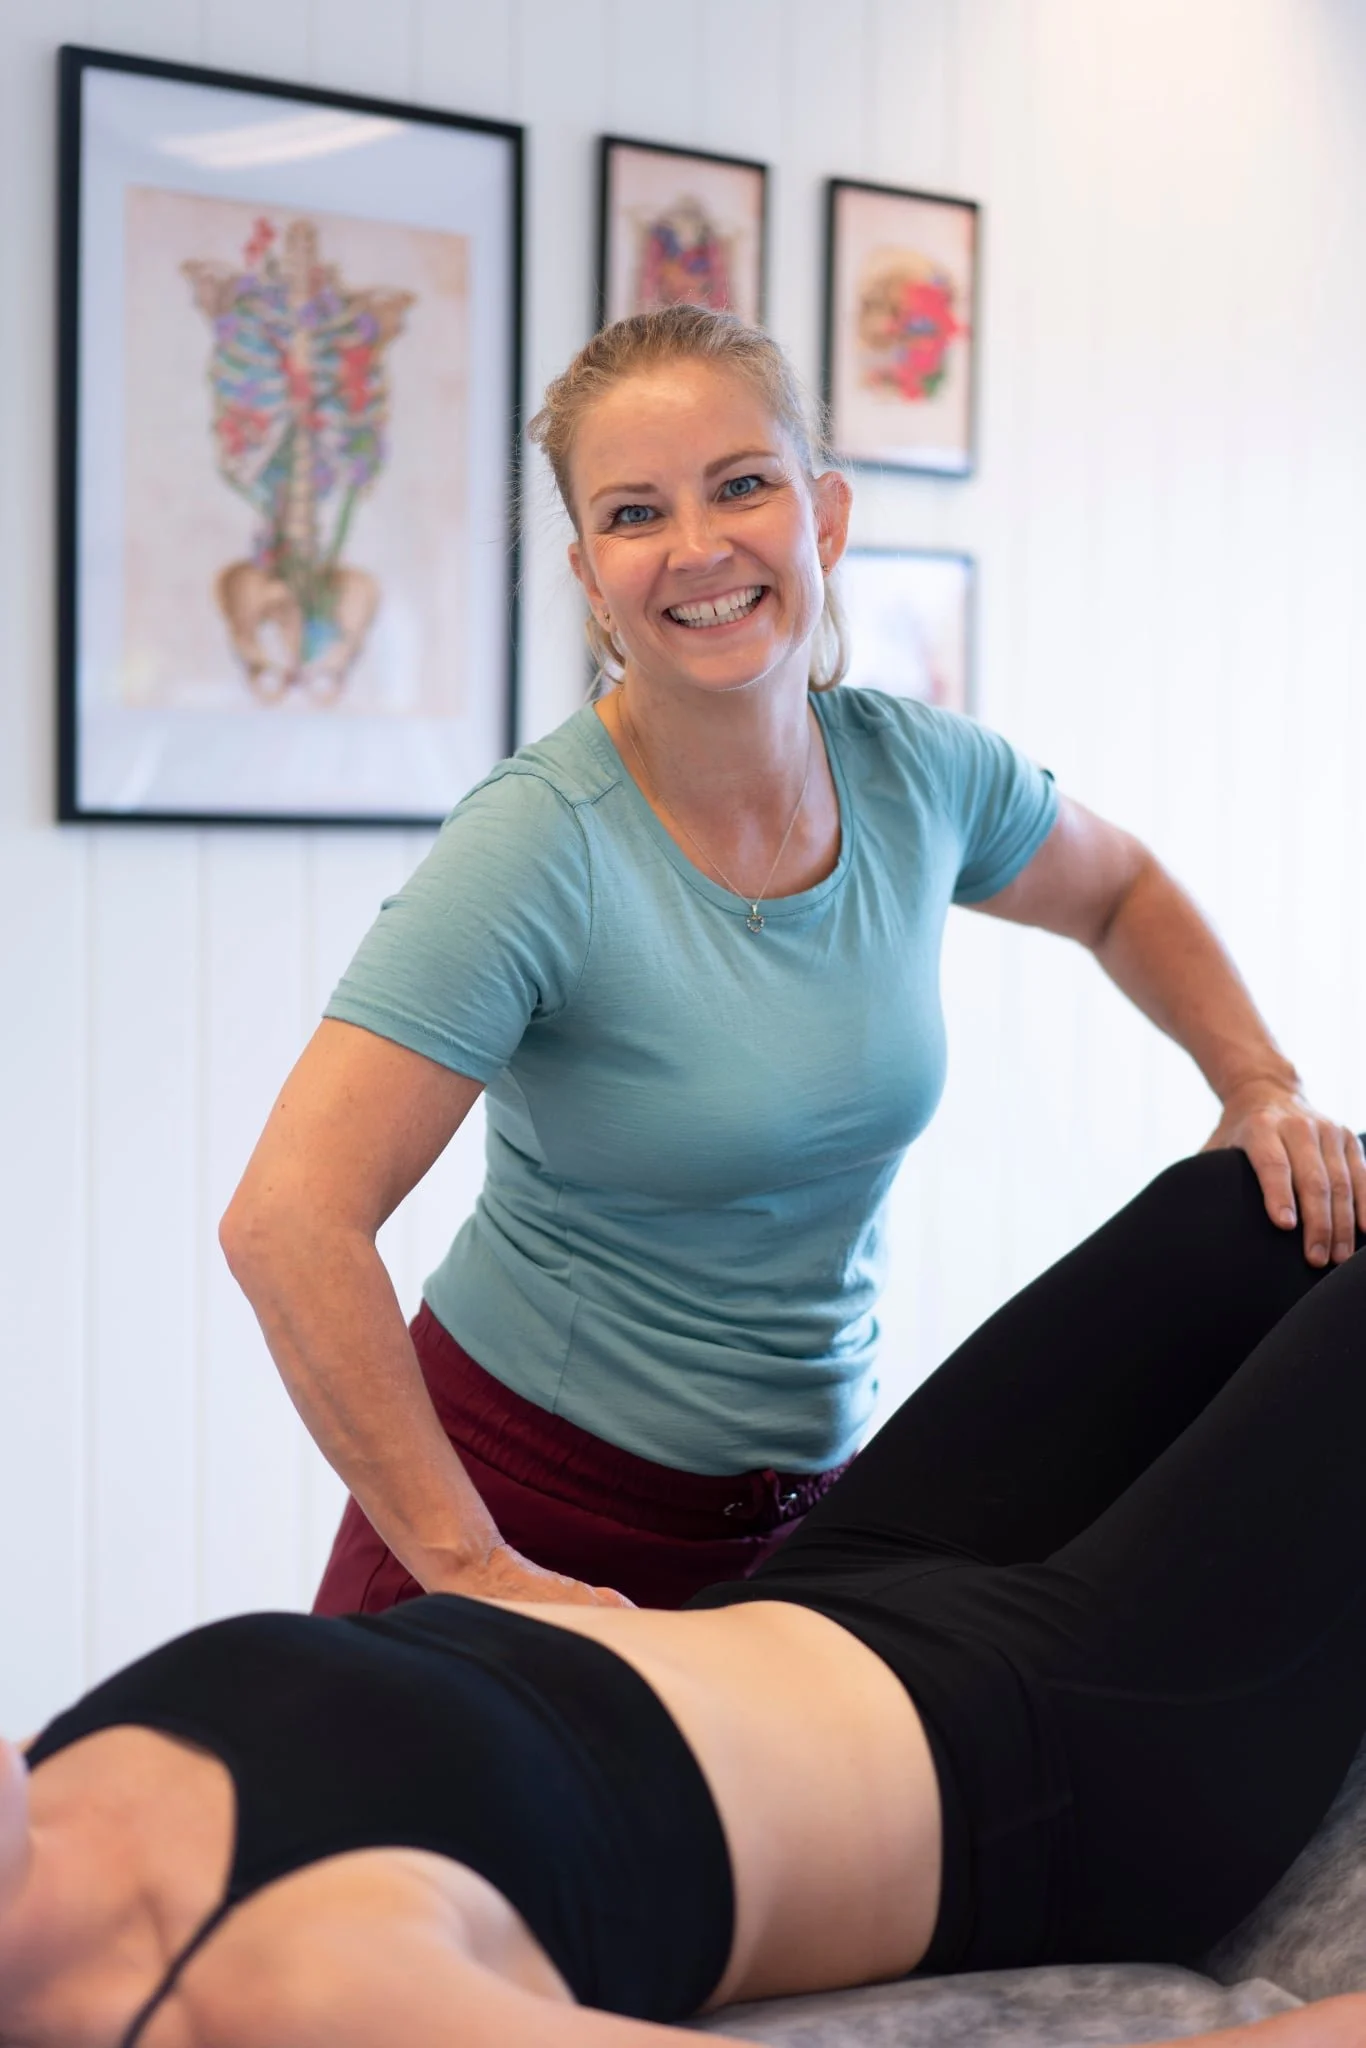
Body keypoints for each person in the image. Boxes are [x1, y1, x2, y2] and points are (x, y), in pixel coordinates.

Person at [220, 306, 1366, 1616]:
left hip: (801, 1530)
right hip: (526, 1514)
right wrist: (470, 1565)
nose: (697, 547)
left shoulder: (920, 775)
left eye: (741, 486)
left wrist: (1257, 1084)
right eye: (635, 513)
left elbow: (1120, 892)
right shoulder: (537, 845)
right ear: (592, 575)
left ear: (823, 517)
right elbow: (287, 1220)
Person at [7, 1149, 1366, 2048]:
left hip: (839, 1591)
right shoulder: (289, 1995)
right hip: (1053, 1750)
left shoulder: (50, 1782)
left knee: (1254, 1210)